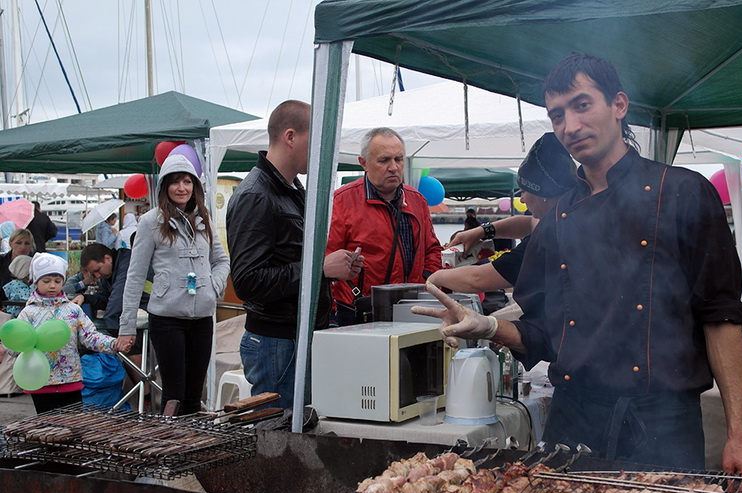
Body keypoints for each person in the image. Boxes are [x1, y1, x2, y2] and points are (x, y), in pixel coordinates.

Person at [414, 53, 742, 493]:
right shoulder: (558, 218)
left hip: (663, 422)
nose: (569, 126)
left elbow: (722, 316)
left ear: (618, 104)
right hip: (575, 419)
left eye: (582, 105)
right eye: (557, 115)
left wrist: (739, 435)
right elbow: (542, 334)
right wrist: (487, 327)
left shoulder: (682, 193)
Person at [226, 100, 363, 411]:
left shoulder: (290, 190)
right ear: (290, 137)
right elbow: (247, 282)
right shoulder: (255, 196)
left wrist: (334, 267)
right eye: (316, 141)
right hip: (278, 343)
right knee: (282, 444)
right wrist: (321, 270)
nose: (321, 151)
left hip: (295, 338)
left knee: (296, 438)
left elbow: (291, 262)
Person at [117, 153, 230, 416]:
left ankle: (191, 447)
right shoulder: (150, 222)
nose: (182, 188)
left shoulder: (205, 219)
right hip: (167, 317)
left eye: (188, 182)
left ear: (195, 186)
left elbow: (222, 261)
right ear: (165, 186)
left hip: (202, 316)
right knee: (173, 392)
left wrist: (213, 286)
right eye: (176, 182)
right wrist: (126, 326)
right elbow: (135, 275)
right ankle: (171, 445)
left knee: (195, 392)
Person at [429, 133, 578, 294]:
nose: (521, 200)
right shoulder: (567, 214)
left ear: (542, 194)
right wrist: (481, 231)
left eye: (523, 192)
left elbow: (478, 280)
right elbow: (528, 223)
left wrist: (435, 277)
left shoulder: (551, 236)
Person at [326, 127, 442, 325]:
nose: (394, 167)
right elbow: (327, 261)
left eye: (398, 159)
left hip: (409, 307)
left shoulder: (417, 200)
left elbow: (431, 250)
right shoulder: (341, 201)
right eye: (384, 160)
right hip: (357, 311)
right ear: (364, 163)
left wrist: (423, 282)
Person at [0, 253, 123, 414]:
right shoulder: (28, 312)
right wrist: (7, 346)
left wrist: (113, 344)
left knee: (73, 426)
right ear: (36, 281)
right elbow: (18, 344)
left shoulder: (73, 310)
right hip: (40, 381)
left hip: (70, 378)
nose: (52, 286)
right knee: (47, 429)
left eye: (57, 281)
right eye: (46, 281)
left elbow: (90, 336)